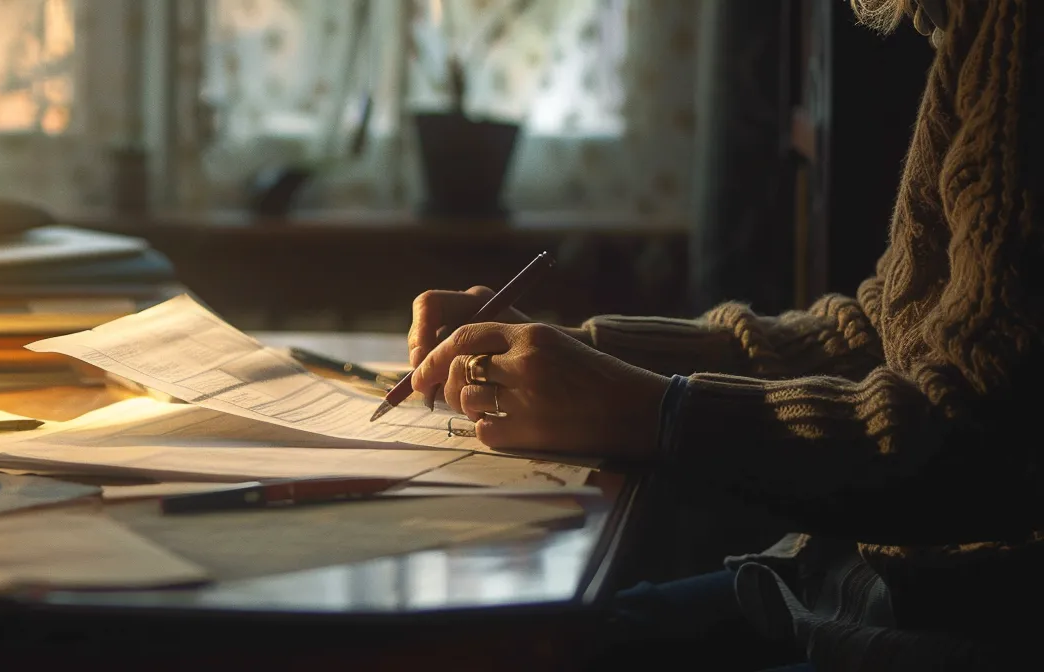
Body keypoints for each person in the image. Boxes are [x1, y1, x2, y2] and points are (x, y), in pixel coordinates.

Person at [404, 0, 1042, 669]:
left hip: (960, 625)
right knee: (532, 637)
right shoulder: (967, 27)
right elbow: (883, 328)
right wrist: (585, 349)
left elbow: (978, 444)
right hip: (856, 583)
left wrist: (659, 411)